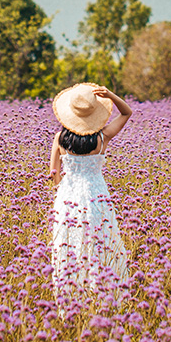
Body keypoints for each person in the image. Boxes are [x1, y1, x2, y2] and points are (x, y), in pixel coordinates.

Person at [49, 83, 132, 304]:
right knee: (100, 242)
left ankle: (71, 295)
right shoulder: (102, 138)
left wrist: (62, 186)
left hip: (68, 197)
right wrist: (111, 95)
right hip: (96, 196)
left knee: (68, 243)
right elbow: (127, 113)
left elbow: (53, 172)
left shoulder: (60, 138)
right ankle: (103, 295)